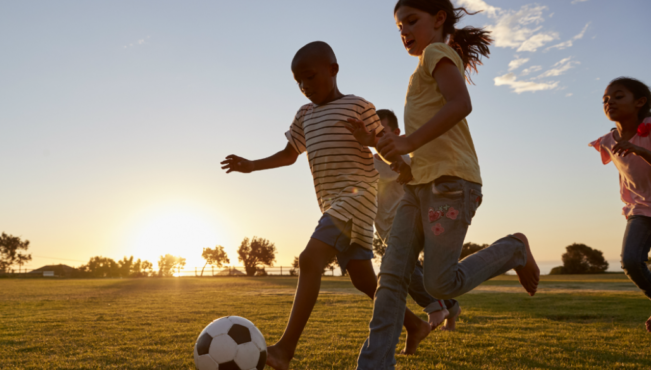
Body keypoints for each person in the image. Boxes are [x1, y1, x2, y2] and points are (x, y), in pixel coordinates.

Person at [343, 1, 540, 367]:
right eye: (399, 25)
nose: (403, 30)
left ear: (438, 19)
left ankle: (513, 248)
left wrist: (407, 142)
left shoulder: (436, 52)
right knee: (390, 279)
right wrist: (378, 144)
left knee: (439, 285)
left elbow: (461, 103)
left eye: (411, 21)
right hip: (417, 186)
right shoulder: (419, 71)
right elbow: (405, 166)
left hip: (451, 183)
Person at [220, 41, 432, 370]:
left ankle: (284, 350)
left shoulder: (359, 106)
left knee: (309, 258)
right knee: (364, 281)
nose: (304, 86)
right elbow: (290, 154)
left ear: (333, 70)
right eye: (298, 82)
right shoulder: (304, 115)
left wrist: (404, 167)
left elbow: (383, 144)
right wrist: (251, 165)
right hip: (332, 204)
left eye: (310, 77)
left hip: (357, 198)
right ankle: (415, 324)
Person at [374, 109, 461, 333]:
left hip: (407, 221)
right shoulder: (369, 162)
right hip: (384, 227)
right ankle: (451, 307)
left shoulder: (405, 157)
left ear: (397, 133)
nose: (379, 138)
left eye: (383, 132)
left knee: (399, 268)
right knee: (416, 271)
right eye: (374, 133)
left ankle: (435, 308)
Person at [589, 77, 651, 332]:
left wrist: (641, 152)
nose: (609, 102)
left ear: (640, 102)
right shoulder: (607, 141)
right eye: (605, 99)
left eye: (618, 96)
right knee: (631, 260)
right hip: (640, 209)